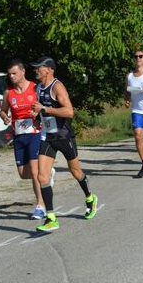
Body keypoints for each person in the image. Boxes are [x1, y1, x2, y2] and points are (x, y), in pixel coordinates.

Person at [30, 57, 97, 232]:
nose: (35, 70)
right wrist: (38, 119)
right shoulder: (37, 87)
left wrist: (44, 110)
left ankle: (90, 198)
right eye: (35, 68)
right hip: (47, 136)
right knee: (42, 176)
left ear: (49, 69)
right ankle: (51, 218)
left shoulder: (57, 86)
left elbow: (69, 111)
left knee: (75, 171)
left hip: (64, 135)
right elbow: (41, 111)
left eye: (39, 67)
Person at [0, 58, 50, 220]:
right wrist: (5, 117)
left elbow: (46, 108)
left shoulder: (36, 88)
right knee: (23, 174)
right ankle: (47, 173)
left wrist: (39, 113)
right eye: (10, 74)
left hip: (35, 133)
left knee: (35, 173)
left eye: (14, 73)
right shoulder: (9, 92)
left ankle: (40, 206)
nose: (12, 77)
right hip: (19, 136)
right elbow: (3, 110)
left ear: (23, 72)